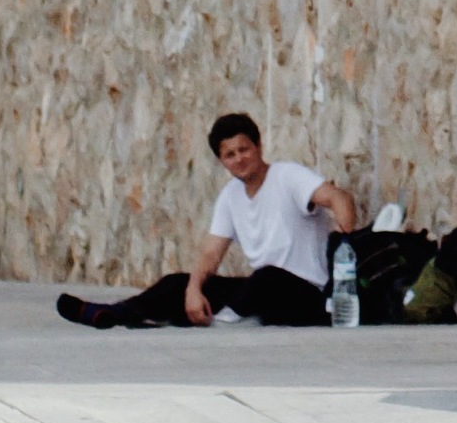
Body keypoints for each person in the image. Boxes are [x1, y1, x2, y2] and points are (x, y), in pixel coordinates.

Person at [56, 113, 360, 329]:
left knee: (267, 278)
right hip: (260, 292)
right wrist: (193, 289)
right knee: (179, 282)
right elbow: (211, 254)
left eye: (244, 149)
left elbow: (338, 198)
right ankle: (115, 313)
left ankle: (218, 320)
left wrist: (345, 244)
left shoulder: (287, 176)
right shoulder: (230, 196)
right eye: (229, 155)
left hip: (308, 294)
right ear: (221, 161)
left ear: (258, 147)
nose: (239, 159)